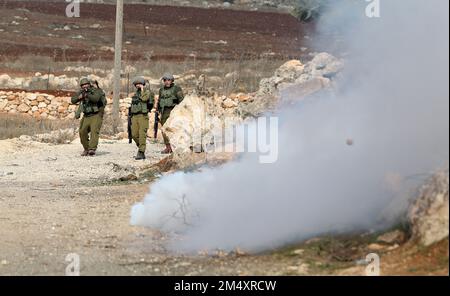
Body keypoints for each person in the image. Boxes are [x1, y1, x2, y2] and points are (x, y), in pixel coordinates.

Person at [71, 77, 106, 156]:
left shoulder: (96, 91)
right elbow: (73, 100)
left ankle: (92, 149)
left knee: (94, 131)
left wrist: (87, 95)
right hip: (86, 115)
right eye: (83, 85)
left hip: (96, 115)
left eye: (86, 84)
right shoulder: (81, 92)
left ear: (89, 84)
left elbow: (96, 99)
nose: (85, 86)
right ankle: (86, 148)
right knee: (82, 131)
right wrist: (79, 97)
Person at [157, 73, 184, 154]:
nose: (167, 82)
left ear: (172, 81)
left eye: (169, 80)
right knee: (164, 130)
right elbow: (159, 100)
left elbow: (181, 100)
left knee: (174, 129)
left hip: (174, 111)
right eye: (165, 80)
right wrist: (158, 110)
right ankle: (168, 147)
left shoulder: (176, 88)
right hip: (164, 111)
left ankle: (176, 146)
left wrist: (175, 105)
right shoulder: (161, 90)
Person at [129, 76, 154, 160]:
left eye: (140, 84)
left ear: (143, 84)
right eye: (136, 84)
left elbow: (144, 99)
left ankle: (141, 152)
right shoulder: (135, 94)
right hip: (135, 116)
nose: (138, 85)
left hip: (143, 116)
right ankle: (141, 148)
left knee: (142, 134)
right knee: (134, 135)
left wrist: (143, 89)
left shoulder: (147, 92)